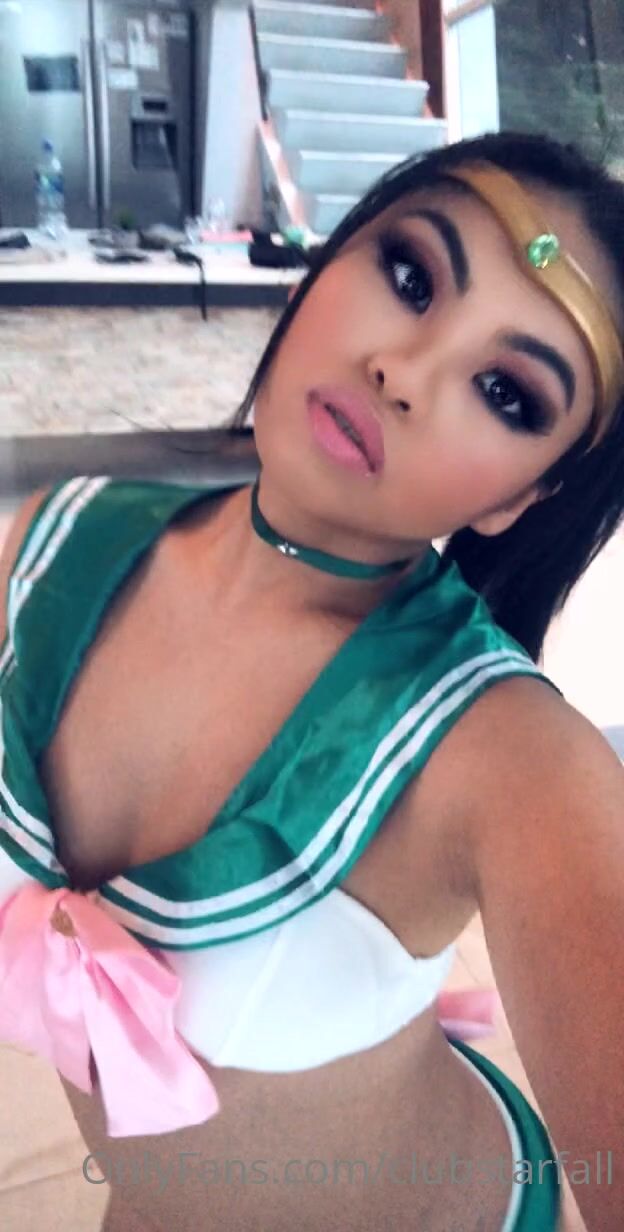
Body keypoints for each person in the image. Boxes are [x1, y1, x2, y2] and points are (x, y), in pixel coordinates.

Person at [0, 130, 623, 1232]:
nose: (404, 372)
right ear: (319, 270)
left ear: (520, 498)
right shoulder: (50, 541)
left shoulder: (511, 759)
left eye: (506, 390)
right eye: (411, 276)